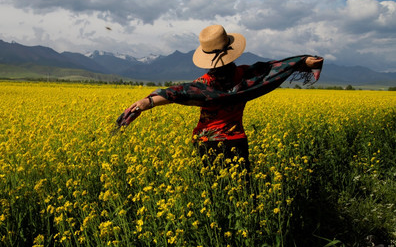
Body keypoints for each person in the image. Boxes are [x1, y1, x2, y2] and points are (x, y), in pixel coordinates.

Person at [116, 25, 324, 172]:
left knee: (214, 193)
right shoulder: (246, 76)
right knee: (242, 194)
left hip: (205, 143)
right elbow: (272, 69)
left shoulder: (203, 84)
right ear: (231, 52)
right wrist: (302, 61)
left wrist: (147, 102)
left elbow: (177, 92)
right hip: (236, 141)